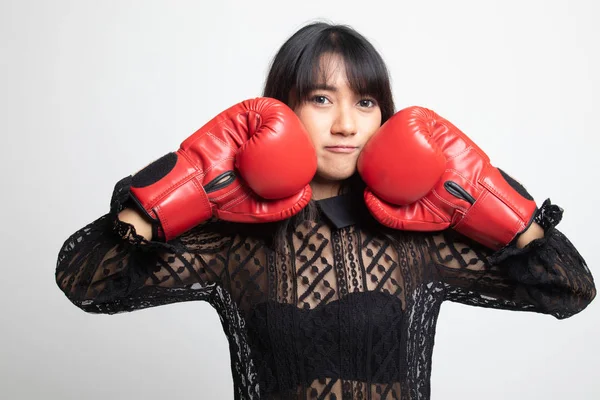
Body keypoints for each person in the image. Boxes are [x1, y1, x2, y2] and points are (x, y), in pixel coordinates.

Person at [55, 21, 596, 399]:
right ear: (279, 111)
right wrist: (176, 191)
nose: (346, 124)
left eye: (365, 101)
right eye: (320, 98)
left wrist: (495, 202)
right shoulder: (228, 237)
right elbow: (86, 283)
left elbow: (569, 290)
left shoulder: (421, 234)